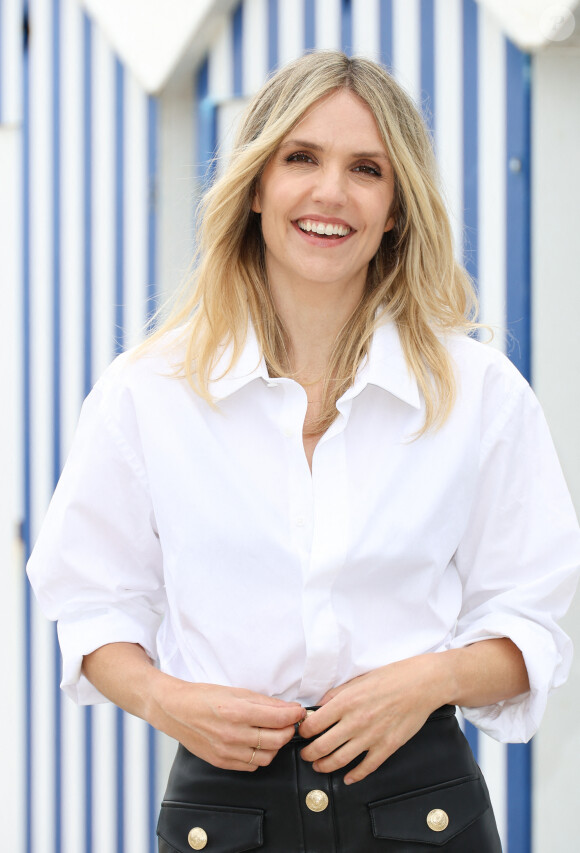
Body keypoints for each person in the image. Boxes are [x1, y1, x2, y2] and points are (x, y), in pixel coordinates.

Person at [28, 50, 580, 852]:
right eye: (300, 158)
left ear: (396, 208)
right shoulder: (148, 391)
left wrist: (431, 680)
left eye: (367, 168)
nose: (330, 192)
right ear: (256, 184)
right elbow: (90, 604)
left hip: (423, 812)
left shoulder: (479, 393)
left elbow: (536, 615)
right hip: (222, 817)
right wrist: (162, 698)